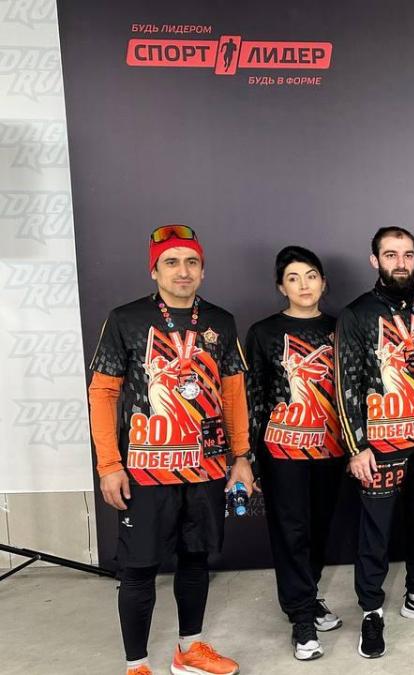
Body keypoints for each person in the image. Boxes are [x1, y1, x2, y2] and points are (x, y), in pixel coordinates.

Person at [88, 224, 254, 675]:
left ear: (203, 269)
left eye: (192, 262)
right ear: (154, 270)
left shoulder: (221, 321)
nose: (183, 271)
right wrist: (109, 464)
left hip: (206, 468)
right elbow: (103, 393)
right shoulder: (125, 319)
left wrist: (241, 457)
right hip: (145, 470)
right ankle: (137, 665)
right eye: (172, 262)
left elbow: (234, 392)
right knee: (139, 568)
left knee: (196, 559)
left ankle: (189, 649)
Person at [335, 226, 414, 659]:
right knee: (376, 530)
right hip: (381, 444)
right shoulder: (357, 314)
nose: (400, 263)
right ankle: (372, 611)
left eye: (407, 254)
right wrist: (356, 447)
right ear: (375, 261)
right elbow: (346, 385)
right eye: (391, 255)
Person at [245, 246, 347, 660]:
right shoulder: (264, 332)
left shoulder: (341, 327)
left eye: (310, 276)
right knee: (291, 531)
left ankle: (307, 595)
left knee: (319, 528)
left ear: (324, 282)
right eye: (293, 278)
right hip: (282, 449)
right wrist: (248, 457)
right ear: (280, 287)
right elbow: (254, 397)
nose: (304, 285)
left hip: (331, 447)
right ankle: (302, 618)